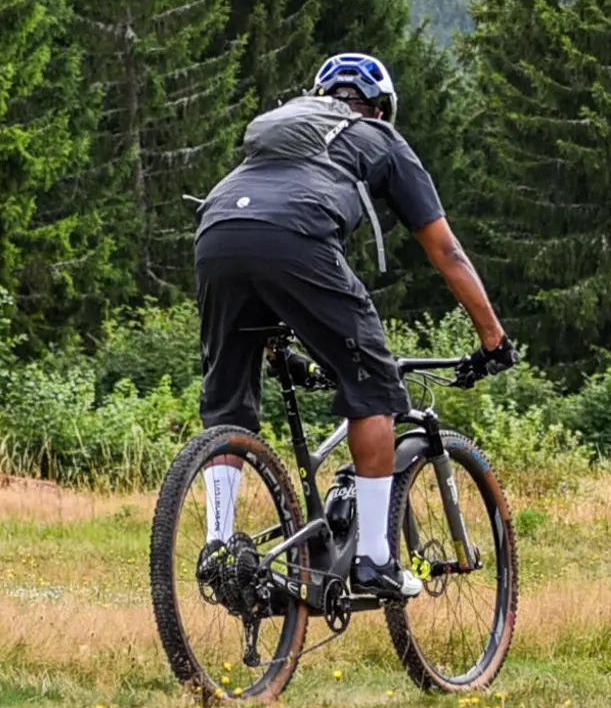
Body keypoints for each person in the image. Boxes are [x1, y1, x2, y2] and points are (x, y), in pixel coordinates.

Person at [193, 50, 509, 601]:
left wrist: (278, 347)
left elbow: (258, 238)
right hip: (297, 235)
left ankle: (218, 546)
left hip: (217, 228)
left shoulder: (284, 131)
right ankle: (375, 560)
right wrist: (493, 339)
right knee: (375, 392)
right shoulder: (383, 138)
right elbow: (447, 250)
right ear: (381, 109)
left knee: (228, 404)